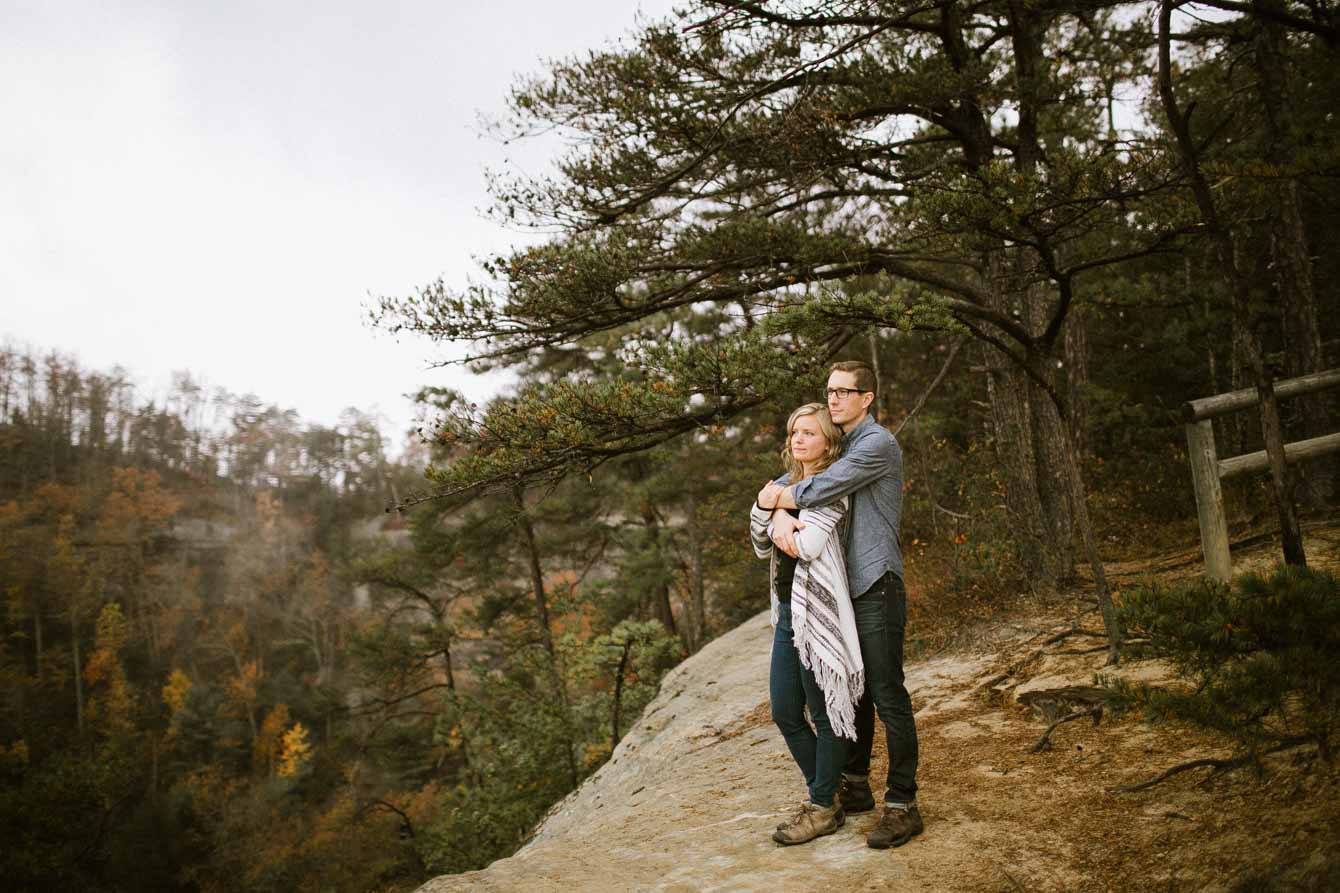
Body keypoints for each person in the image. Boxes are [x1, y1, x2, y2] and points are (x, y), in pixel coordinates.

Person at [756, 361, 921, 850]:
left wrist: (777, 502)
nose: (834, 399)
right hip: (841, 592)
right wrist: (777, 513)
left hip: (875, 583)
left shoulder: (875, 445)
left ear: (866, 398)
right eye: (829, 391)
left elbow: (820, 487)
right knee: (854, 693)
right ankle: (853, 787)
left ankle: (902, 804)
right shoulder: (838, 444)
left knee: (888, 693)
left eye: (845, 392)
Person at [749, 403, 864, 847]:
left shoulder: (831, 486)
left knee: (824, 711)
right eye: (794, 432)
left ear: (829, 442)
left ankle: (820, 806)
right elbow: (761, 546)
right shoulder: (781, 486)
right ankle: (829, 793)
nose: (799, 439)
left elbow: (808, 545)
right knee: (783, 711)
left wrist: (775, 511)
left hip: (819, 617)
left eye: (810, 433)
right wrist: (771, 507)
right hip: (786, 617)